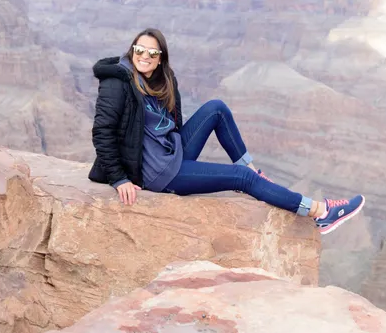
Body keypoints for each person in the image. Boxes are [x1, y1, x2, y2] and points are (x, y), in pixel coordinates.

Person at [88, 28, 365, 235]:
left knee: (216, 108)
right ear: (131, 50)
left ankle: (253, 170)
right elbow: (103, 131)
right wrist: (119, 179)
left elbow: (171, 124)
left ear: (160, 59)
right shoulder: (118, 82)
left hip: (170, 152)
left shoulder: (160, 79)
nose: (144, 56)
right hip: (157, 173)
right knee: (241, 180)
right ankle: (320, 212)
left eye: (152, 53)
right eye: (139, 50)